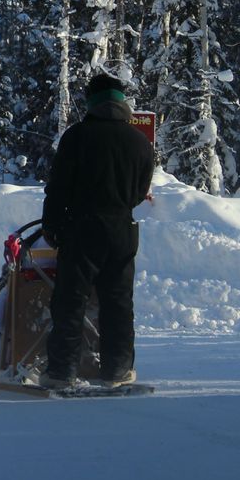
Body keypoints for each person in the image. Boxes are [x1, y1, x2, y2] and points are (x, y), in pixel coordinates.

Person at [39, 72, 155, 389]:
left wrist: (52, 226)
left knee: (70, 301)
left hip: (83, 228)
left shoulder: (77, 136)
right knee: (117, 301)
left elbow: (58, 187)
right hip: (122, 230)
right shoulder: (140, 142)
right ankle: (117, 370)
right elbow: (139, 192)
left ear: (92, 102)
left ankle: (61, 372)